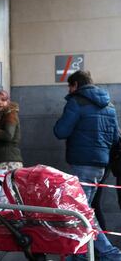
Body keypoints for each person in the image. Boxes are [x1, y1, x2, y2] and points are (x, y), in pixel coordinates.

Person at [54, 70, 121, 261]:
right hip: (103, 165)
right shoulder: (109, 104)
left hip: (83, 163)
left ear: (75, 85)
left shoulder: (76, 102)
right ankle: (82, 254)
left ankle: (110, 253)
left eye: (70, 86)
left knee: (80, 211)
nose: (69, 90)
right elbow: (116, 137)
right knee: (85, 209)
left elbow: (61, 131)